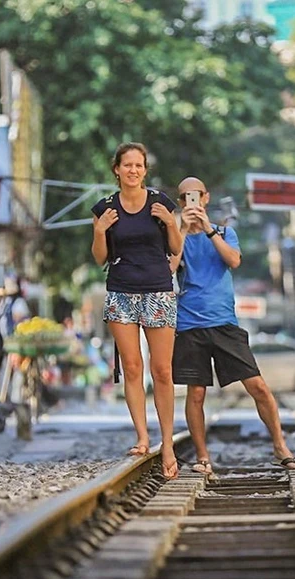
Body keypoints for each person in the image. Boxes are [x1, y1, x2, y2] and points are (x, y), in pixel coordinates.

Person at [170, 176, 295, 473]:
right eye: (184, 197)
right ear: (181, 203)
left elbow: (233, 261)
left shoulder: (225, 232)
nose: (190, 201)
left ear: (205, 198)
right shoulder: (176, 237)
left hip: (224, 323)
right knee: (196, 393)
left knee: (257, 386)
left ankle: (280, 446)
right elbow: (169, 267)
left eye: (195, 195)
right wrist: (181, 228)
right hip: (190, 323)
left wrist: (207, 229)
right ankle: (203, 457)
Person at [91, 142, 183, 480]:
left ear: (145, 170)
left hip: (158, 290)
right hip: (121, 292)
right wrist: (100, 231)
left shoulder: (161, 202)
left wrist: (171, 224)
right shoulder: (104, 208)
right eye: (127, 165)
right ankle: (143, 438)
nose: (133, 170)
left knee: (162, 371)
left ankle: (168, 443)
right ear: (116, 169)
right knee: (132, 367)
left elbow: (175, 248)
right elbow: (99, 257)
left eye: (139, 165)